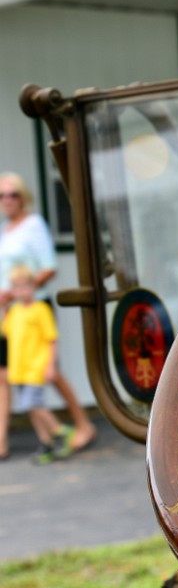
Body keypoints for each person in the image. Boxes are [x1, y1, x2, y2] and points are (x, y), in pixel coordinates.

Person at [0, 172, 95, 459]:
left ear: (23, 196)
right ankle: (2, 441)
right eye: (1, 195)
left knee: (49, 371)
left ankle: (83, 424)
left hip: (34, 308)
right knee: (4, 374)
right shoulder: (5, 229)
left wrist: (22, 292)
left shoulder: (33, 225)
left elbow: (48, 266)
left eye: (12, 194)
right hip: (10, 315)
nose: (7, 200)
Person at [2, 265, 75, 463]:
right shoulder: (14, 312)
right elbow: (6, 332)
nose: (22, 291)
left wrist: (50, 365)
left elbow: (51, 339)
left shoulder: (41, 310)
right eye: (17, 287)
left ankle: (60, 430)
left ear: (33, 287)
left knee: (33, 403)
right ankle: (46, 442)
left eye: (26, 286)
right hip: (19, 370)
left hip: (35, 367)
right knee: (31, 408)